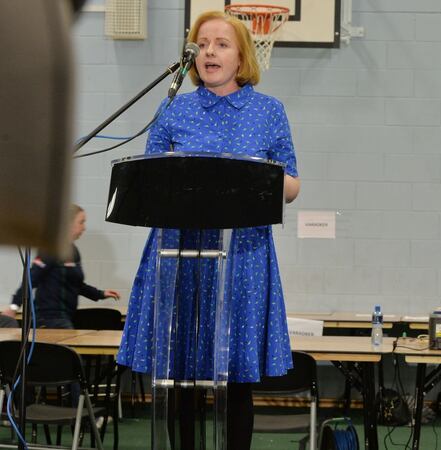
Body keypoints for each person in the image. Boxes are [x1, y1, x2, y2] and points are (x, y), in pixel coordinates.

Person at [115, 10, 300, 450]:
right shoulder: (172, 108)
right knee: (181, 373)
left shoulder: (268, 111)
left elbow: (291, 186)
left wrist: (262, 178)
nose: (209, 51)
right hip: (178, 253)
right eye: (202, 44)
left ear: (241, 57)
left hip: (242, 256)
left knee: (234, 376)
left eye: (221, 43)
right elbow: (148, 180)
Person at [2, 204, 120, 328]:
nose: (84, 227)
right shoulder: (52, 249)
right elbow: (31, 279)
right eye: (81, 222)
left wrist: (100, 294)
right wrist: (14, 307)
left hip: (65, 316)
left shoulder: (73, 251)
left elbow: (76, 284)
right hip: (49, 318)